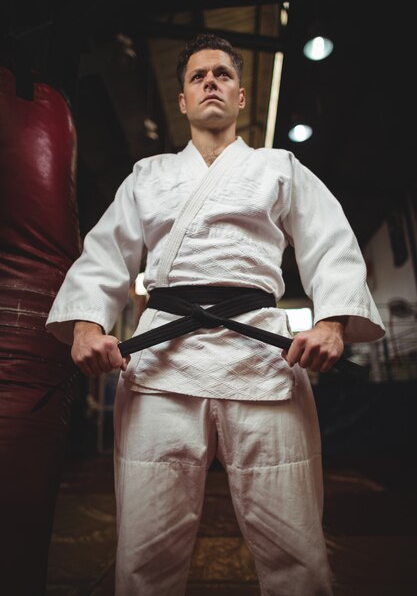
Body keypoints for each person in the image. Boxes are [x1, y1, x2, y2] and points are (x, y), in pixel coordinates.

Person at [46, 33, 385, 595]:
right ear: (182, 100)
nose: (210, 82)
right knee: (145, 552)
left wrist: (330, 321)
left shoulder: (279, 166)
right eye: (198, 76)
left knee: (296, 549)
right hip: (160, 363)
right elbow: (104, 252)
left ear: (242, 95)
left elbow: (331, 242)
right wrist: (87, 324)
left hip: (263, 359)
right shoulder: (148, 175)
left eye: (222, 74)